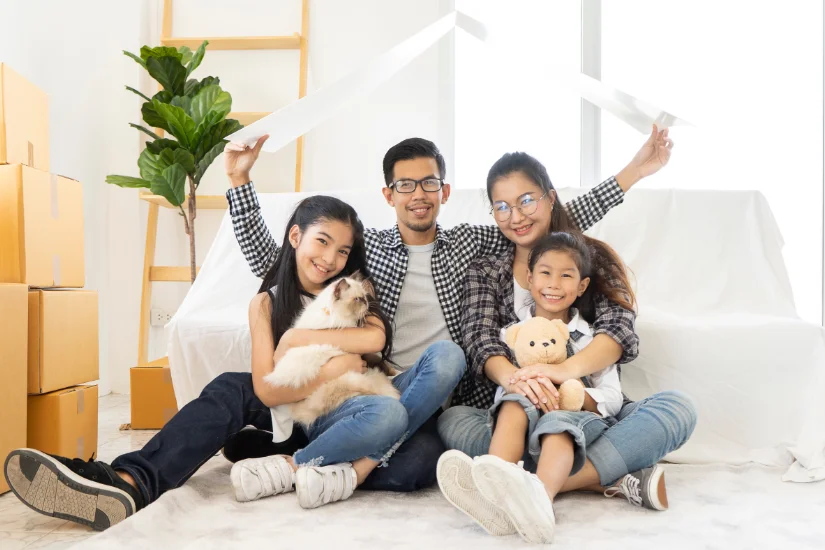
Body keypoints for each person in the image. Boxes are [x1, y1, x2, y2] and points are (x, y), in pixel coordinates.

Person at [222, 127, 673, 490]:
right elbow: (280, 261)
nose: (418, 194)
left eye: (429, 183)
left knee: (432, 418)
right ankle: (323, 455)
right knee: (413, 461)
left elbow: (543, 220)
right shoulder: (369, 251)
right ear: (388, 195)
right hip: (390, 389)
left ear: (445, 190)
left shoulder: (470, 243)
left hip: (450, 391)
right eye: (405, 185)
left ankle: (343, 459)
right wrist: (240, 182)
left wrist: (631, 173)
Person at [2, 195, 394, 529]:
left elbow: (374, 337)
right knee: (232, 387)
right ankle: (127, 482)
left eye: (342, 250)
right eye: (322, 242)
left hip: (347, 416)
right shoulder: (266, 303)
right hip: (296, 414)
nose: (330, 259)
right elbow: (266, 389)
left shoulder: (355, 293)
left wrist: (303, 348)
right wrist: (333, 365)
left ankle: (266, 455)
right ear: (296, 236)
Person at [436, 152, 697, 541]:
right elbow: (480, 340)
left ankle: (528, 487)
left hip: (584, 407)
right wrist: (520, 381)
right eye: (502, 207)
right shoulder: (486, 270)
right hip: (515, 409)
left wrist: (560, 376)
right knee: (453, 420)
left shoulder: (591, 260)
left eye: (527, 200)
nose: (517, 216)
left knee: (677, 409)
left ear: (550, 198)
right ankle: (607, 480)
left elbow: (618, 334)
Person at [439, 231, 633, 544]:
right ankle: (500, 486)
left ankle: (539, 500)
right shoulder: (510, 334)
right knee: (488, 409)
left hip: (571, 422)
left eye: (566, 275)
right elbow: (502, 390)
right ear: (529, 279)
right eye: (545, 273)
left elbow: (612, 398)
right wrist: (526, 386)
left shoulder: (590, 338)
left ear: (582, 286)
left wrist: (569, 394)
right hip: (518, 428)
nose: (554, 284)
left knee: (558, 425)